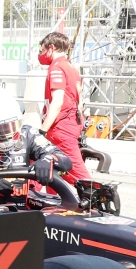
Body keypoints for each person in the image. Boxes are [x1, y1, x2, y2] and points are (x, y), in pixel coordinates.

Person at [37, 32, 90, 184]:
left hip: (60, 128)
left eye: (42, 51)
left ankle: (96, 200)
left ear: (51, 48)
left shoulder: (56, 68)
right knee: (51, 171)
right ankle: (51, 203)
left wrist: (42, 131)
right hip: (70, 124)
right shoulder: (70, 67)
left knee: (79, 176)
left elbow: (58, 101)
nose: (40, 55)